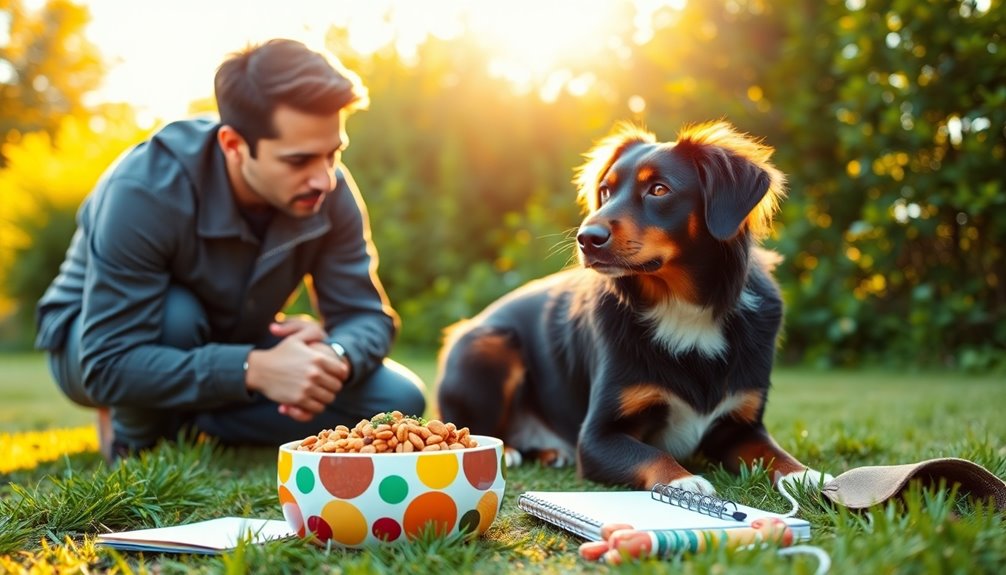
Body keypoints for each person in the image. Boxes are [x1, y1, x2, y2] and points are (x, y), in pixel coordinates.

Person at [35, 39, 426, 460]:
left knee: (396, 400)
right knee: (177, 316)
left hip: (236, 339)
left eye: (333, 154)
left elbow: (366, 317)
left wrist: (331, 356)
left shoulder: (330, 190)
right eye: (299, 161)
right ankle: (136, 443)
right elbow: (107, 362)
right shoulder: (145, 188)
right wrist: (253, 368)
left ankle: (190, 420)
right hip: (99, 344)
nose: (324, 180)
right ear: (234, 146)